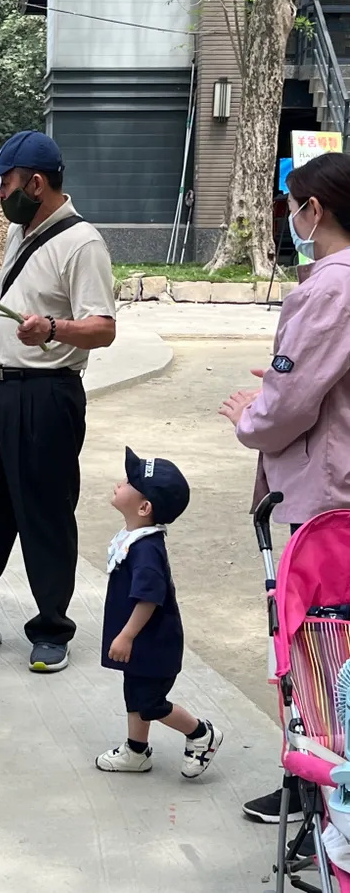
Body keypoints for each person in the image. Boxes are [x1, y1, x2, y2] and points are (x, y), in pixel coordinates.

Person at [0, 130, 116, 673]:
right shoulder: (21, 231)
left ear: (35, 183)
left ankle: (52, 627)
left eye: (4, 182)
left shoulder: (83, 244)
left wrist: (53, 328)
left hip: (47, 397)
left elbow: (102, 329)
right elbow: (11, 308)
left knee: (44, 512)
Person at [220, 151, 350, 823]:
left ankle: (321, 793)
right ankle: (317, 788)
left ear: (314, 211)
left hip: (327, 498)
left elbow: (291, 399)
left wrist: (253, 412)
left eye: (292, 206)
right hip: (336, 484)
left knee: (319, 648)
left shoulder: (331, 287)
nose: (291, 218)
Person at [96, 448, 223, 776]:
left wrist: (126, 635)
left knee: (151, 702)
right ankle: (137, 751)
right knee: (135, 696)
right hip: (143, 644)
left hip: (154, 643)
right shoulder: (135, 538)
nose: (118, 484)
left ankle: (201, 733)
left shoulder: (146, 550)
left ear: (144, 507)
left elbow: (149, 598)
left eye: (127, 482)